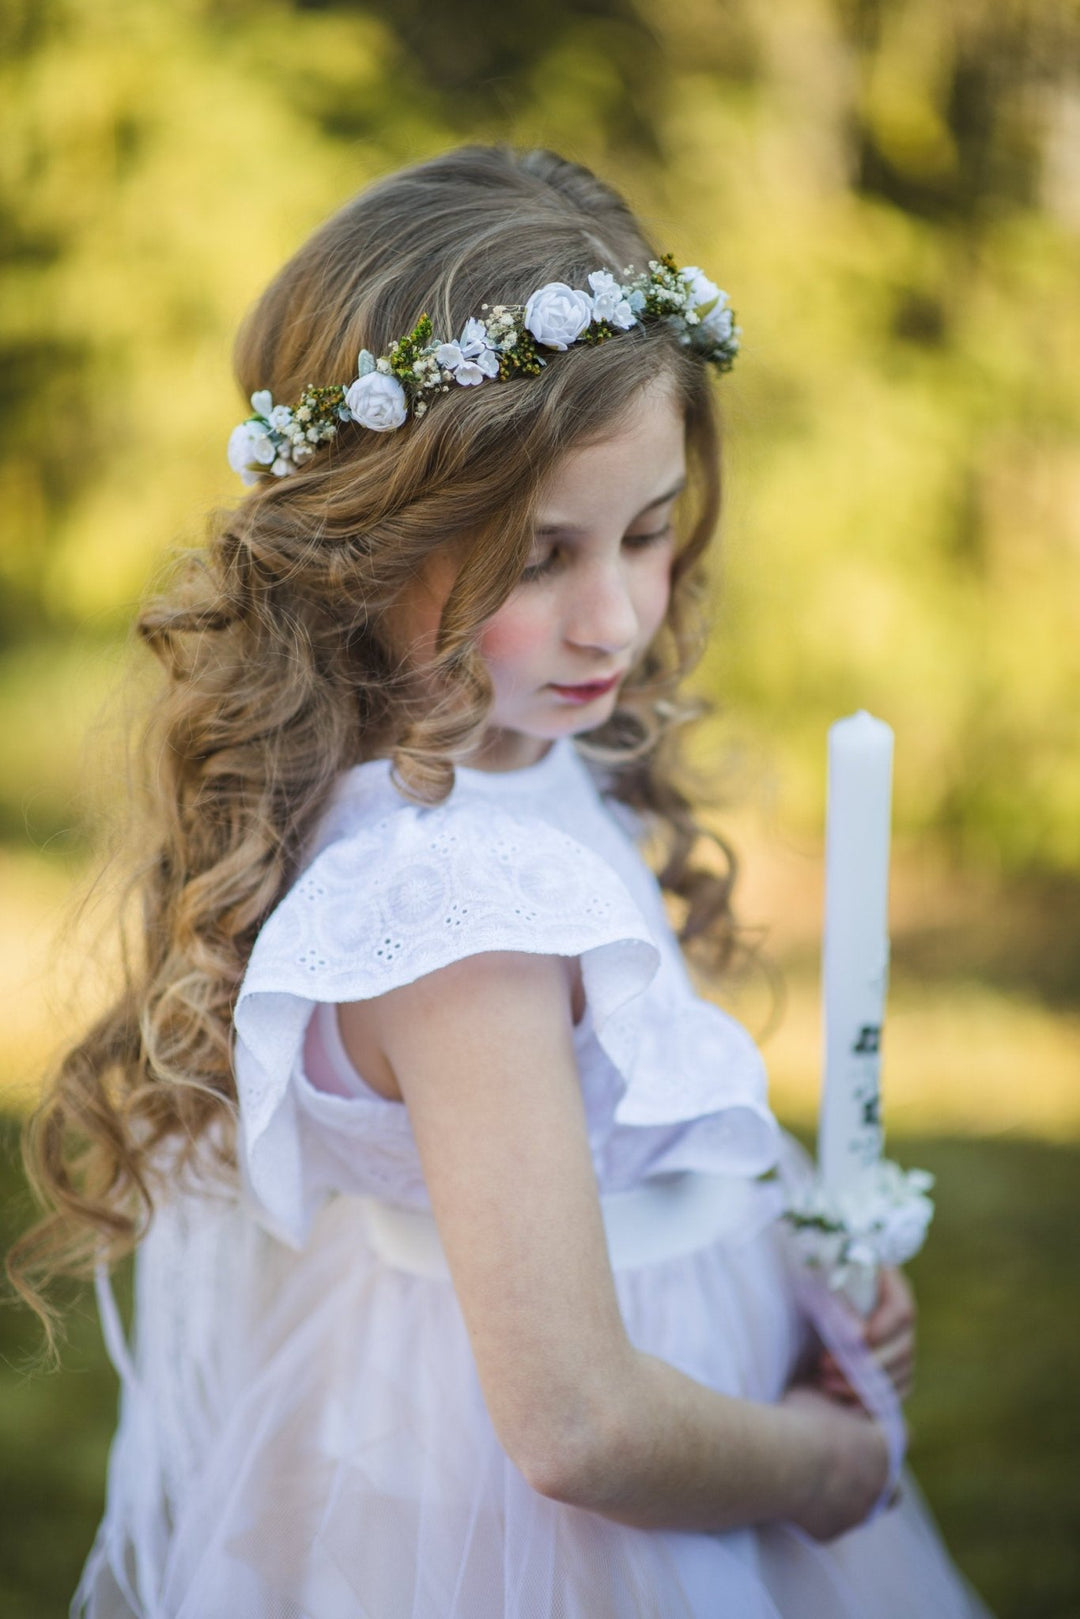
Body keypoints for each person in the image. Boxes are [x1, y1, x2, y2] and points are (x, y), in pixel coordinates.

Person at [9, 145, 991, 1618]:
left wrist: (789, 1260)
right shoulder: (454, 914)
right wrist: (818, 1467)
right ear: (361, 548)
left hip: (676, 1398)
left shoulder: (507, 754)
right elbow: (578, 1423)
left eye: (649, 533)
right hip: (543, 1539)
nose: (617, 618)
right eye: (539, 560)